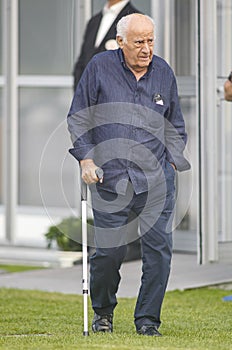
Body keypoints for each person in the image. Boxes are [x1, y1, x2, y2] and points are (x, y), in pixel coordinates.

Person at [67, 14, 190, 336]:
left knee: (159, 252)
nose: (146, 48)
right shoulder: (99, 67)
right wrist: (86, 160)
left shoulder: (163, 71)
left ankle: (148, 321)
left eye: (150, 40)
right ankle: (103, 312)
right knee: (109, 253)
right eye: (139, 42)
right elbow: (79, 118)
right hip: (110, 178)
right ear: (121, 42)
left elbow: (175, 123)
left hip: (156, 179)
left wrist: (174, 158)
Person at [73, 0, 140, 90]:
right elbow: (82, 63)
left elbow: (136, 69)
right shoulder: (94, 21)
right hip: (87, 99)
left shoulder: (137, 21)